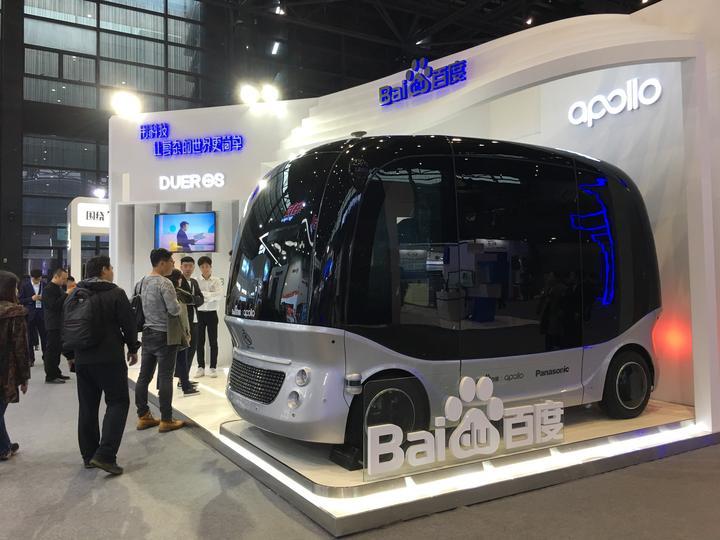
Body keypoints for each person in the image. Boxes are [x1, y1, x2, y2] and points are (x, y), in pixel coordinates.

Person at [70, 256, 139, 475]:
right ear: (103, 270)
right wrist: (133, 348)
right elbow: (129, 324)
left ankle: (89, 455)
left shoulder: (75, 293)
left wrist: (69, 354)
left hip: (82, 358)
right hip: (109, 358)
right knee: (118, 402)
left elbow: (66, 325)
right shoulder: (116, 293)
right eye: (111, 268)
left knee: (87, 406)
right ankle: (106, 455)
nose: (112, 271)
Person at [134, 248, 185, 433]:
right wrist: (180, 305)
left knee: (144, 376)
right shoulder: (165, 283)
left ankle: (143, 416)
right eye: (171, 261)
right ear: (162, 263)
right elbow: (174, 309)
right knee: (165, 377)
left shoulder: (141, 282)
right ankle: (166, 419)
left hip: (147, 334)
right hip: (165, 335)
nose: (173, 264)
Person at [0, 271, 31, 461]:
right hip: (5, 370)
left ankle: (4, 444)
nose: (18, 291)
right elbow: (21, 348)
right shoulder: (14, 313)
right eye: (16, 287)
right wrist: (24, 377)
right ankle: (3, 448)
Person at [168, 269, 199, 397]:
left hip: (167, 332)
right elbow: (183, 316)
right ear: (178, 280)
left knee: (169, 363)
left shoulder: (165, 293)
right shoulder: (179, 294)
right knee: (182, 359)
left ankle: (167, 387)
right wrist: (187, 331)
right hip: (179, 331)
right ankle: (185, 386)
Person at [195, 256, 223, 378]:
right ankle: (200, 367)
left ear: (210, 267)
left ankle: (213, 367)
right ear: (200, 268)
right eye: (202, 267)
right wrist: (210, 296)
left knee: (213, 342)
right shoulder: (196, 280)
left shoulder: (216, 280)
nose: (205, 269)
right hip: (199, 314)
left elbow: (219, 295)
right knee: (199, 342)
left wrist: (204, 296)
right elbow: (196, 297)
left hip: (212, 313)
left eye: (207, 266)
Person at [42, 268, 70, 383]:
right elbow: (53, 306)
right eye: (63, 278)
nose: (64, 281)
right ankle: (50, 375)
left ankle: (56, 372)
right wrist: (66, 294)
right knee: (51, 350)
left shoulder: (58, 288)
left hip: (59, 323)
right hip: (52, 324)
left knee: (57, 349)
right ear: (56, 276)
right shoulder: (48, 289)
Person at [179, 256, 203, 379]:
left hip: (195, 320)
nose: (188, 268)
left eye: (190, 266)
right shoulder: (178, 281)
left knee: (193, 349)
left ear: (193, 268)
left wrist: (192, 300)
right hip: (184, 322)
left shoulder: (194, 282)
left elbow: (201, 299)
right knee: (184, 351)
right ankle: (182, 379)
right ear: (181, 267)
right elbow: (182, 299)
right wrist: (194, 299)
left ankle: (185, 378)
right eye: (185, 266)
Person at [19, 269, 46, 365]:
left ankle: (46, 357)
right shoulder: (25, 286)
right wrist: (31, 298)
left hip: (42, 314)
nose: (37, 281)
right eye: (35, 279)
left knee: (44, 337)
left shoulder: (45, 285)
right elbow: (20, 300)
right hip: (30, 314)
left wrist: (43, 298)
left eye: (39, 279)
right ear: (32, 277)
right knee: (29, 337)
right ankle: (31, 359)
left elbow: (49, 298)